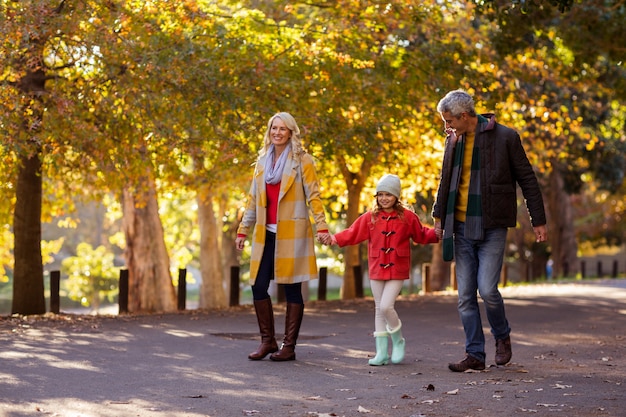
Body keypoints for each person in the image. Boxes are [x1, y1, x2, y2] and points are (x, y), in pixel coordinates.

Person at [431, 89, 548, 372]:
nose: (446, 126)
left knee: (488, 290)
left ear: (464, 116)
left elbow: (527, 179)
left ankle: (502, 336)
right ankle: (475, 355)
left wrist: (538, 219)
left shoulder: (506, 137)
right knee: (465, 296)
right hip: (460, 226)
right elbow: (445, 179)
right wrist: (438, 216)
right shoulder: (453, 140)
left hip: (492, 226)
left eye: (449, 120)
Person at [235, 112, 330, 362]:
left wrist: (321, 227)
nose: (277, 132)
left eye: (282, 128)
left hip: (293, 233)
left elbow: (314, 196)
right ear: (269, 132)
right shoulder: (262, 162)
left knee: (292, 288)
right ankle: (268, 341)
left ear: (291, 132)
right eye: (273, 128)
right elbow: (253, 200)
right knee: (258, 286)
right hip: (265, 234)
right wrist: (243, 229)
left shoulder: (303, 161)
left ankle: (289, 346)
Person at [328, 174, 438, 365]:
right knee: (379, 308)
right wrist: (334, 239)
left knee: (387, 306)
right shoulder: (370, 217)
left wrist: (436, 234)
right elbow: (352, 233)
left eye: (388, 194)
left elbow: (421, 234)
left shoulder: (407, 217)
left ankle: (398, 341)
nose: (384, 198)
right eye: (380, 194)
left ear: (396, 196)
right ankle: (381, 353)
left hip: (398, 266)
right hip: (377, 266)